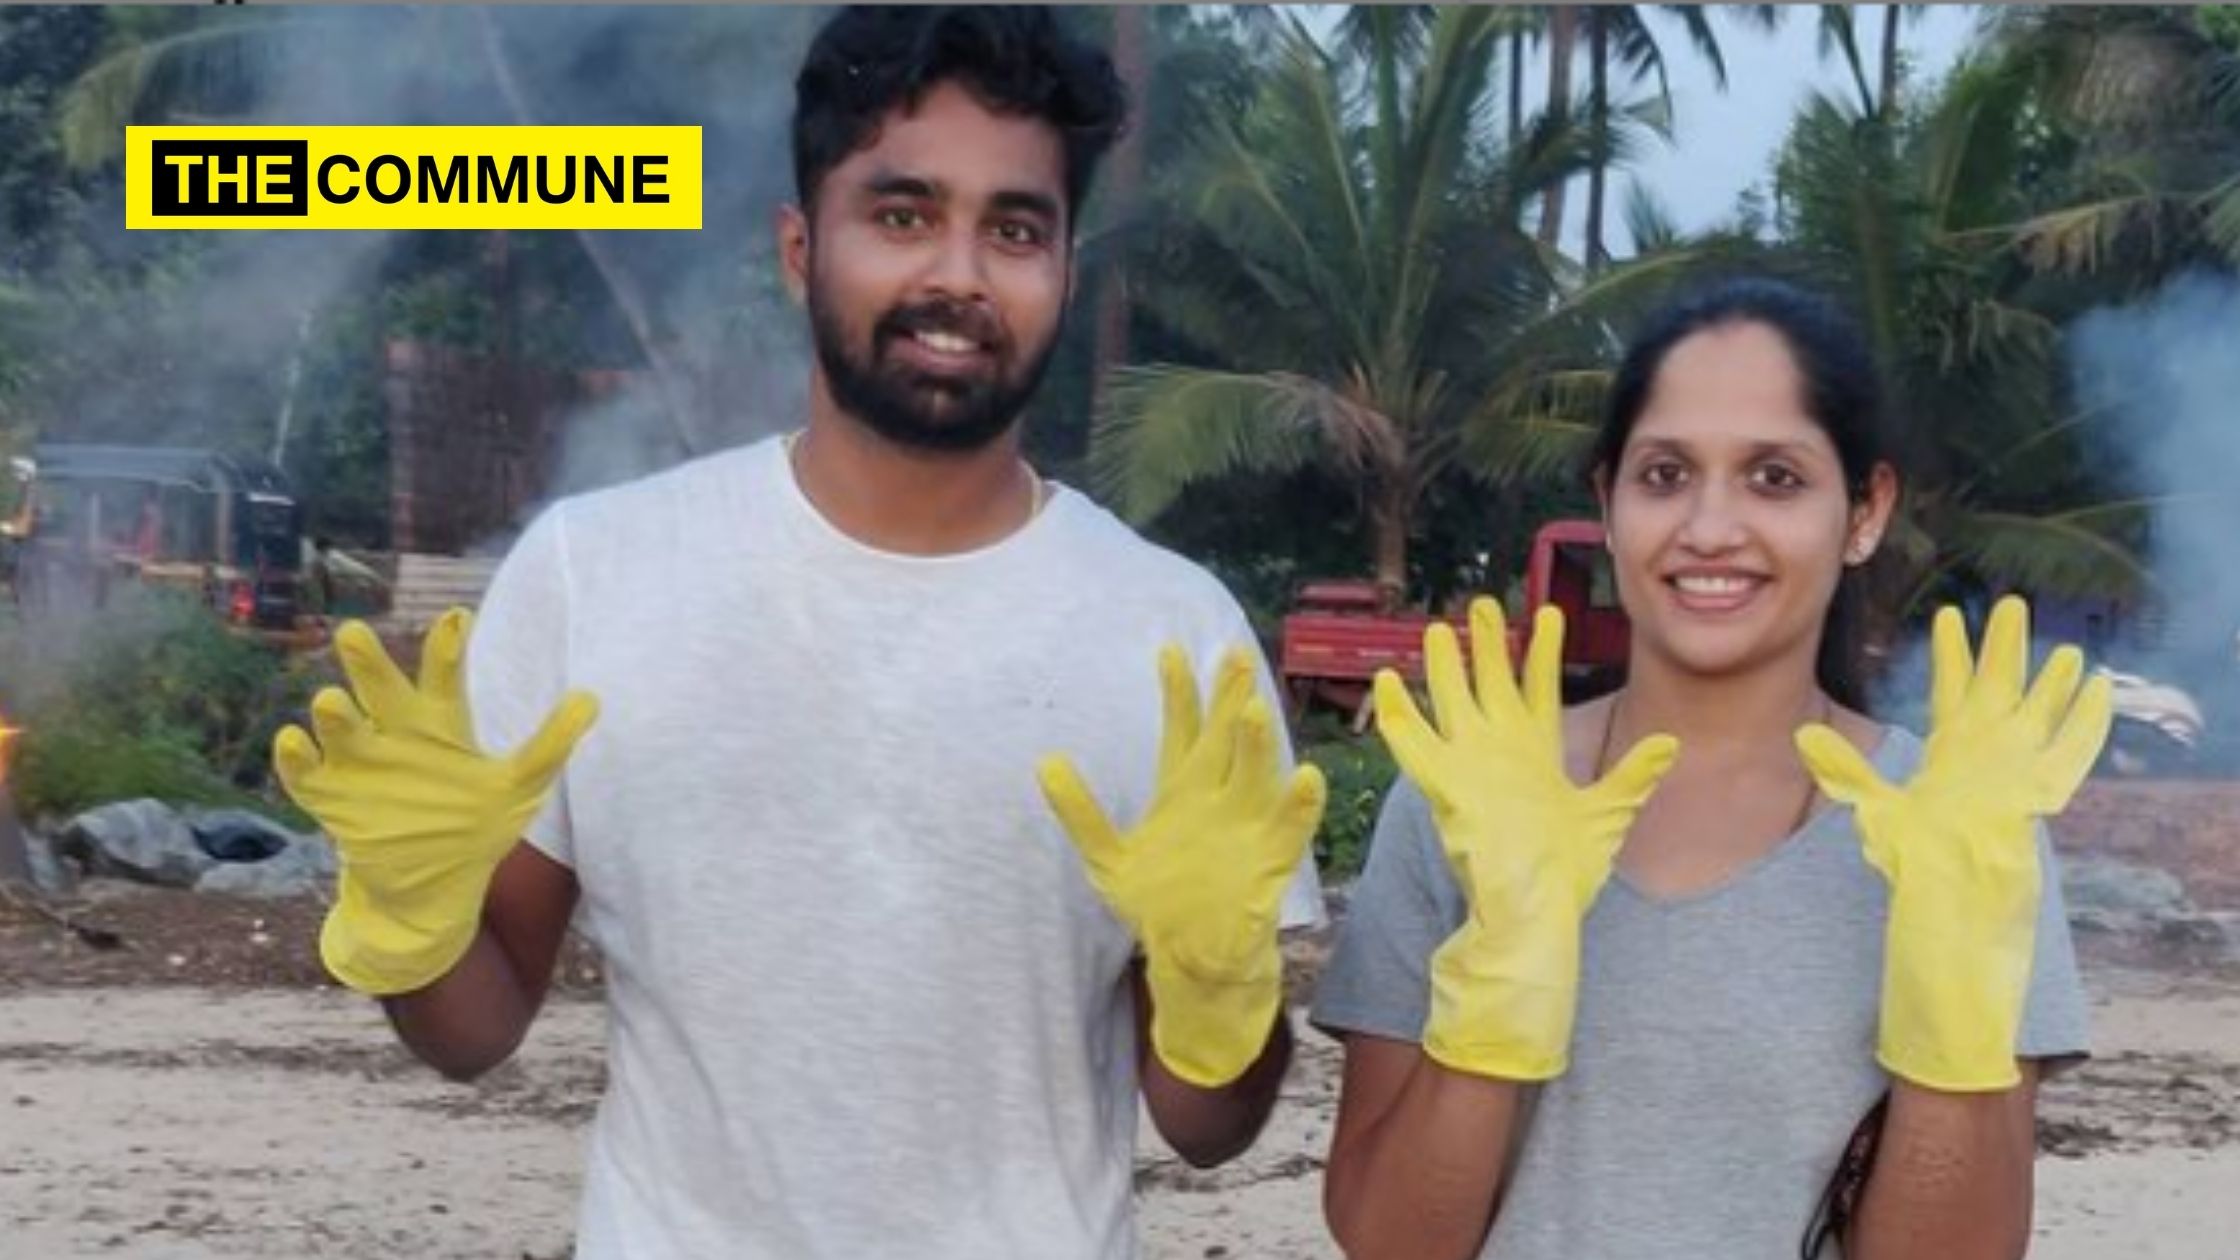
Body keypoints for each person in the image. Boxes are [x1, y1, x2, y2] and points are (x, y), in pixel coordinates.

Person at [269, 8, 1326, 1258]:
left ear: (1063, 271)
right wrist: (407, 917)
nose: (958, 276)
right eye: (901, 214)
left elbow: (1207, 1127)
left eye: (1014, 229)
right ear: (798, 249)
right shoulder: (593, 572)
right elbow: (474, 1033)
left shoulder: (1174, 636)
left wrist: (1219, 997)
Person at [1313, 277, 2111, 1260]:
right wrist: (1497, 984)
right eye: (1663, 474)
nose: (1709, 528)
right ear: (1607, 503)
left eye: (1774, 477)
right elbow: (1388, 1242)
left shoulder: (1963, 829)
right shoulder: (1464, 803)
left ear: (1864, 511)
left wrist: (1950, 1021)